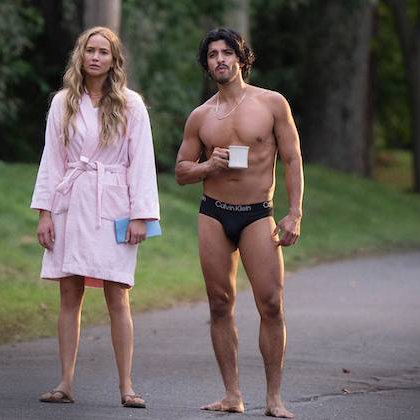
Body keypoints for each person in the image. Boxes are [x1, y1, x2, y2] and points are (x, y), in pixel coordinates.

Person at [174, 28, 303, 418]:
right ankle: (232, 395)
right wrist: (207, 166)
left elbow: (292, 158)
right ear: (207, 64)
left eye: (227, 52)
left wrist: (294, 212)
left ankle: (274, 399)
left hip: (257, 214)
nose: (220, 59)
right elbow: (181, 171)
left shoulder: (272, 103)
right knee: (219, 304)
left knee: (271, 304)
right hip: (214, 213)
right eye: (213, 54)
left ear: (241, 58)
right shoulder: (200, 116)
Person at [30, 26, 159, 409]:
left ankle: (127, 386)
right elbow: (51, 161)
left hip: (114, 205)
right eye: (90, 50)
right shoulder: (63, 102)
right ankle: (65, 382)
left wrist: (141, 216)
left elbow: (142, 163)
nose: (96, 57)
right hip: (71, 202)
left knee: (118, 294)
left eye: (104, 51)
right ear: (81, 55)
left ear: (114, 59)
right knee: (69, 293)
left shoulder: (131, 104)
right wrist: (45, 213)